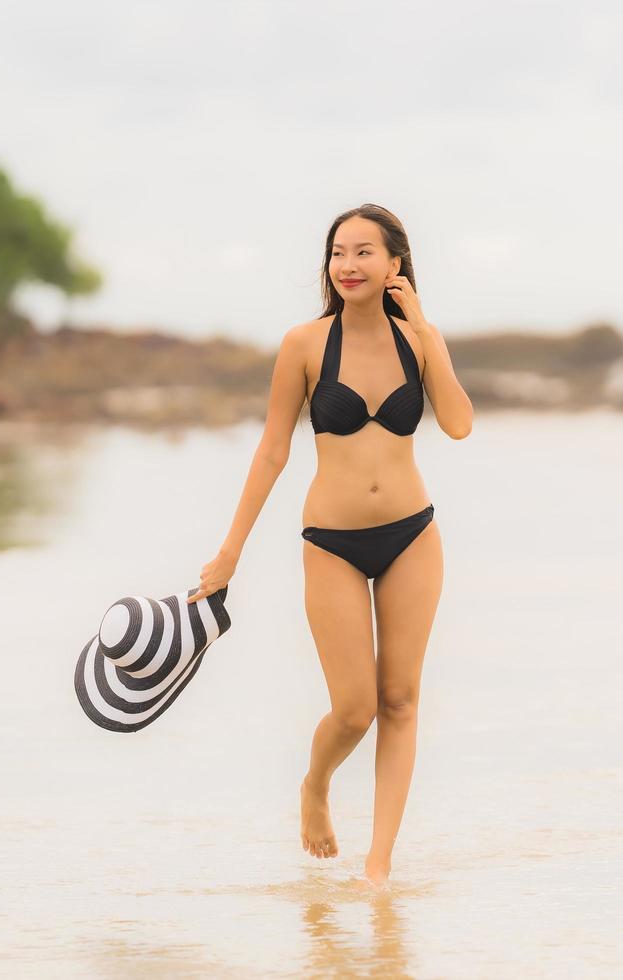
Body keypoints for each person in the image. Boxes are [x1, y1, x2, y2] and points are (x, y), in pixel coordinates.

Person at [188, 204, 474, 889]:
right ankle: (315, 785)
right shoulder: (306, 345)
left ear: (395, 265)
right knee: (355, 707)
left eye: (363, 252)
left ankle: (378, 866)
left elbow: (459, 425)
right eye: (338, 252)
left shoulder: (420, 341)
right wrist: (231, 552)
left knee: (401, 700)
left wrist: (428, 332)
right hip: (334, 543)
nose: (347, 264)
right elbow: (271, 453)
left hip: (413, 534)